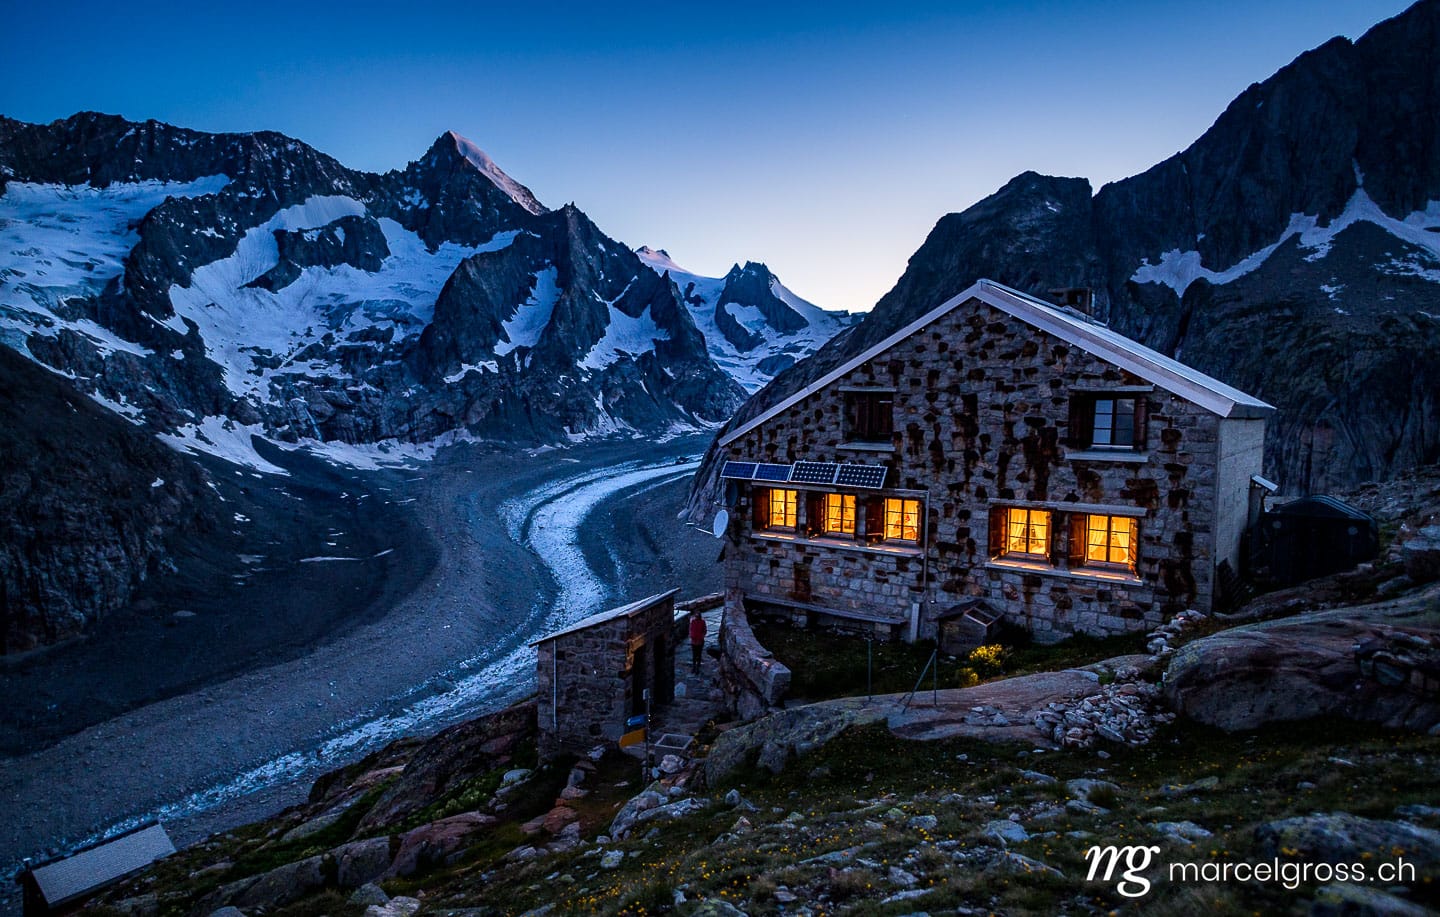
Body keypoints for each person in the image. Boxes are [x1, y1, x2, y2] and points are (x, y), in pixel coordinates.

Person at [688, 609, 707, 674]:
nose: (696, 617)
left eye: (697, 616)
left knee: (698, 654)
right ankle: (694, 667)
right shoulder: (693, 621)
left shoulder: (702, 622)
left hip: (700, 641)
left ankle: (697, 667)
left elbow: (704, 630)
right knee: (694, 655)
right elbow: (690, 629)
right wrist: (691, 636)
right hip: (694, 641)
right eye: (696, 616)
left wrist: (701, 637)